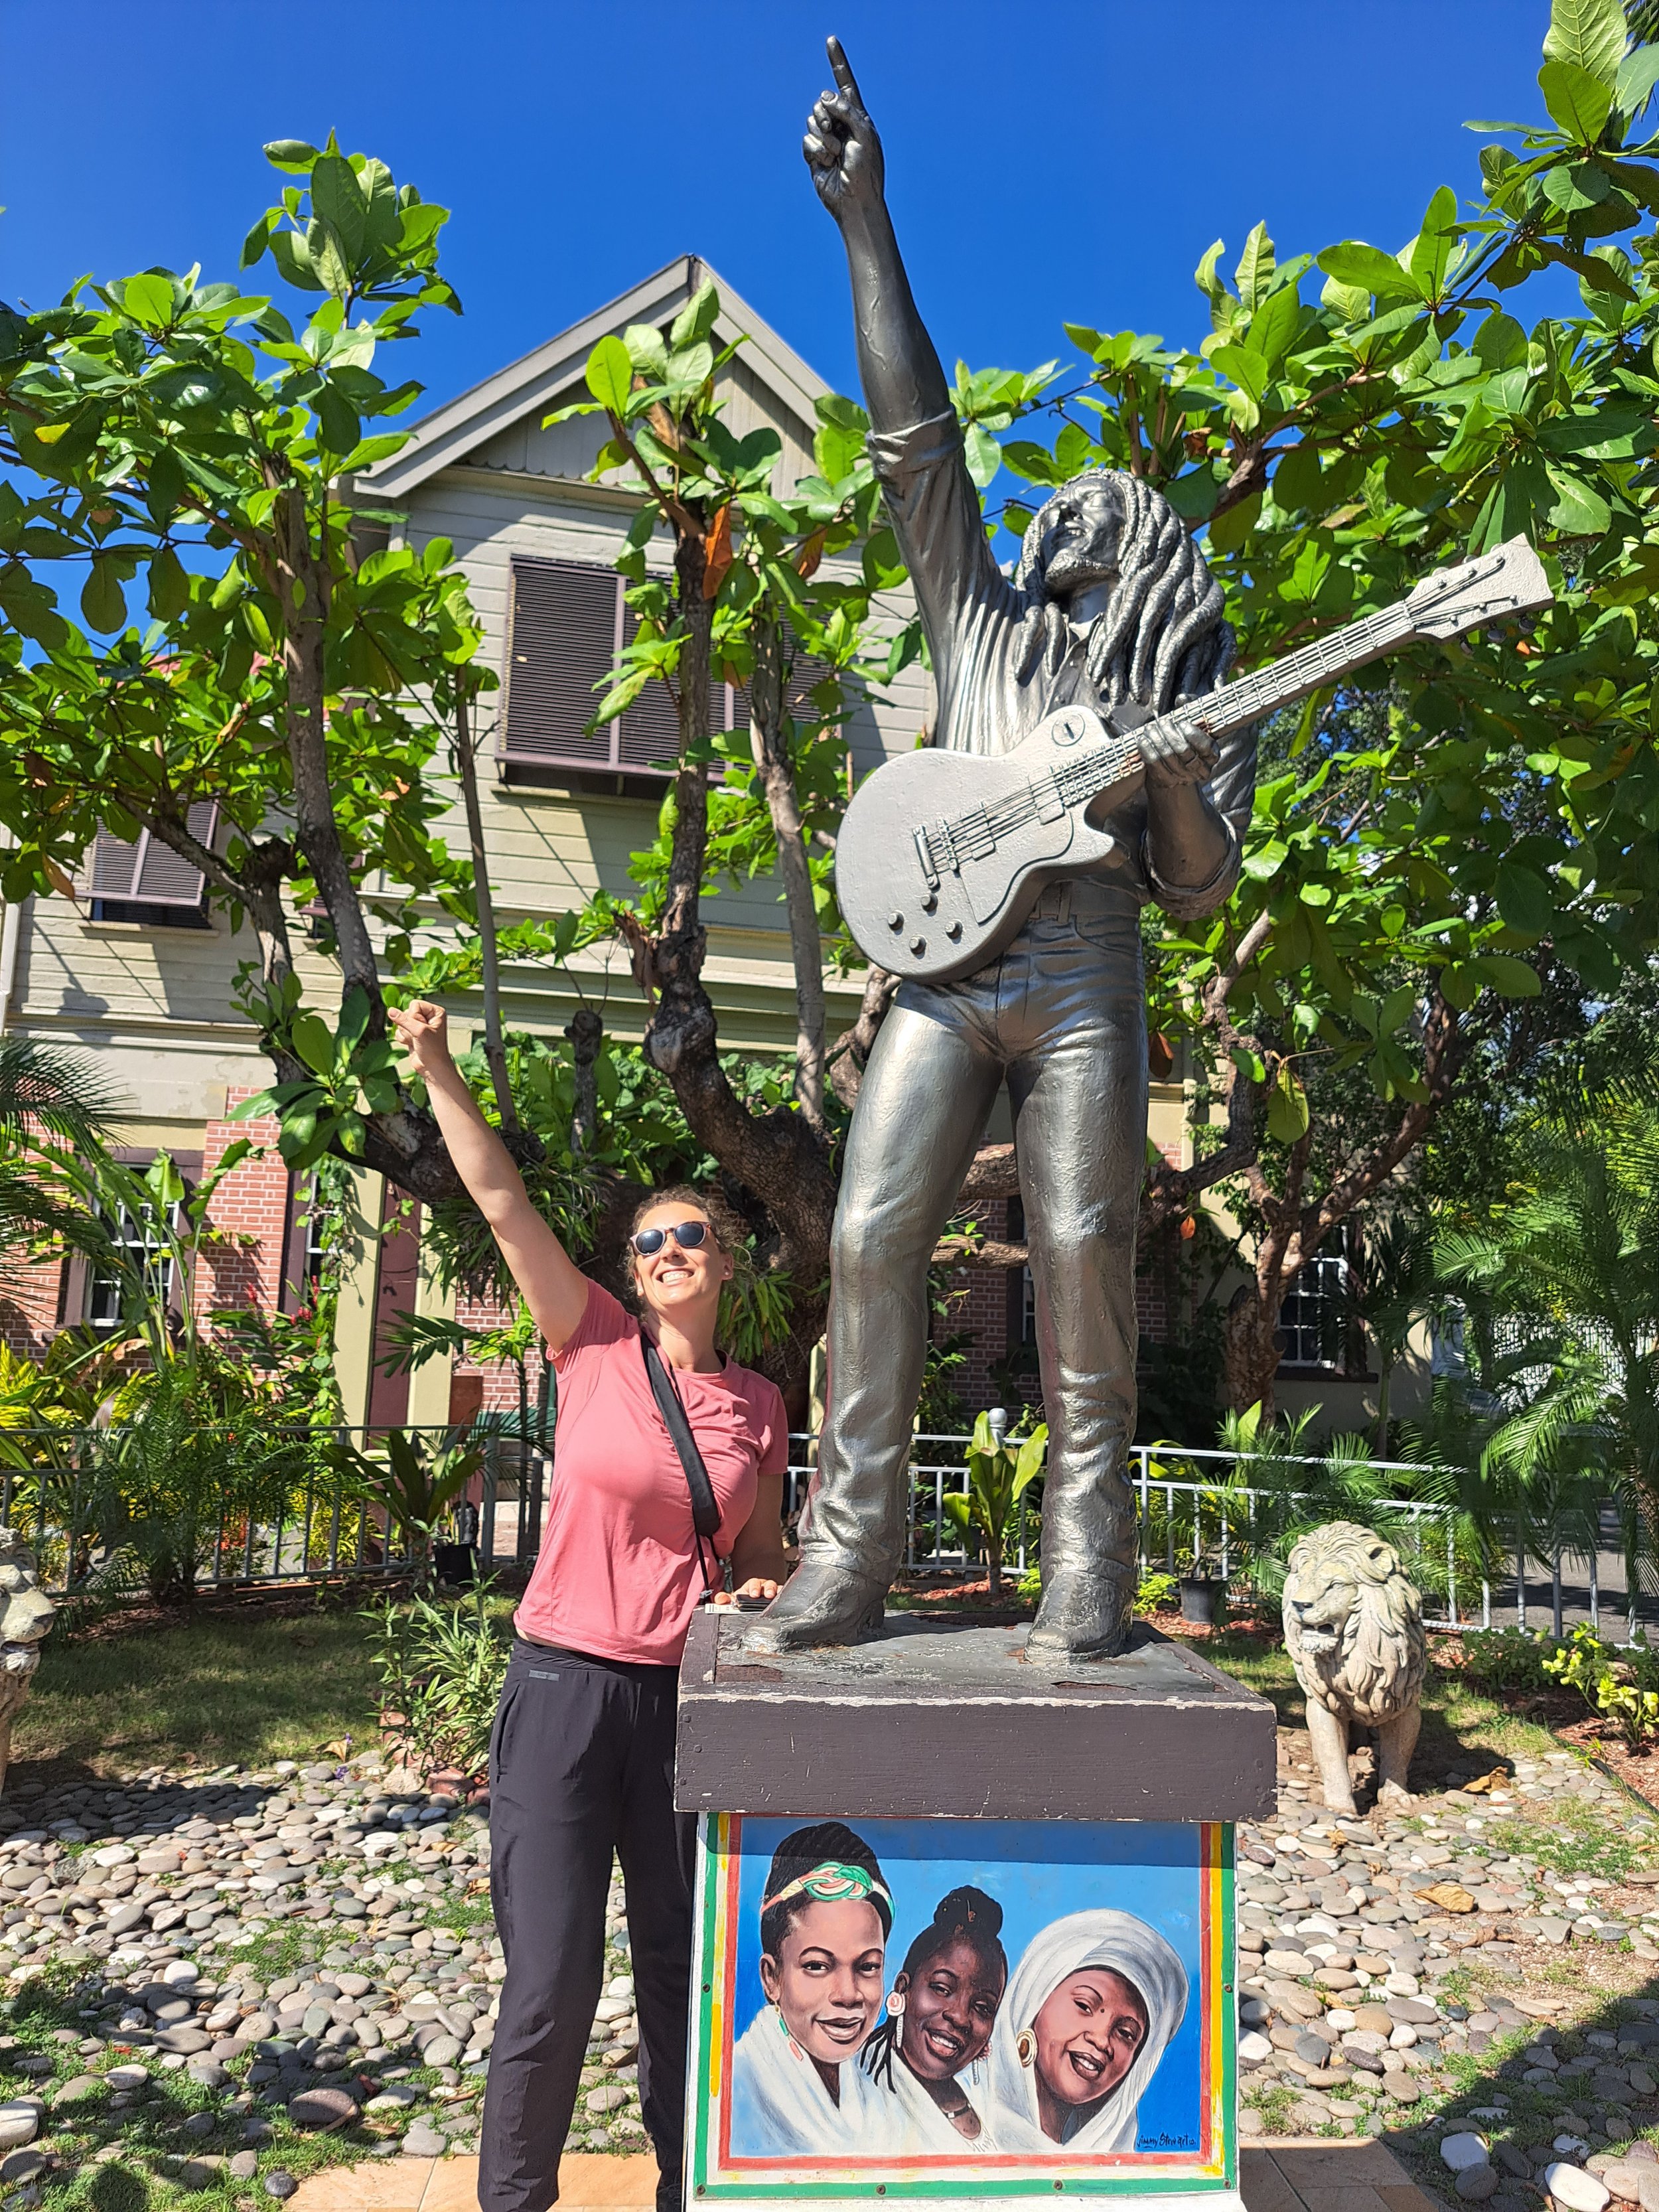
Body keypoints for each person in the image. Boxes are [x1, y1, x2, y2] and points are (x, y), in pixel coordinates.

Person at [750, 42, 1257, 1662]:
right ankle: (849, 1559)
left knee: (1085, 1253)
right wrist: (863, 223)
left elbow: (1198, 881)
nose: (1065, 517)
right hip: (945, 967)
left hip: (1093, 971)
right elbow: (916, 434)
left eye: (1098, 512)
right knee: (866, 1234)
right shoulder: (979, 626)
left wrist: (1171, 775)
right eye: (1058, 513)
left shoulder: (1198, 673)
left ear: (1150, 554)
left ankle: (1088, 1572)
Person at [388, 999, 790, 2212]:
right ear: (630, 1268)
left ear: (725, 1260)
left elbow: (759, 1546)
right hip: (563, 1690)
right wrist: (437, 1068)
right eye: (651, 1239)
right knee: (551, 1978)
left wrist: (772, 1578)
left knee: (681, 1969)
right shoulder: (593, 1345)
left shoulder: (764, 1401)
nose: (671, 1249)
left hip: (685, 1709)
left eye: (693, 1235)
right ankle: (514, 2199)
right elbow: (504, 1203)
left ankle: (690, 2189)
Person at [730, 1821, 893, 2156]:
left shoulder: (875, 2096)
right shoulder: (739, 2090)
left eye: (868, 1967)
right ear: (771, 1978)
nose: (848, 1994)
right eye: (817, 1966)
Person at [986, 1910, 1188, 2156]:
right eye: (1084, 2005)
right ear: (1033, 2002)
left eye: (1126, 2033)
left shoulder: (1118, 2156)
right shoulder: (961, 2125)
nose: (1102, 2040)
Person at [859, 1884, 1006, 2152]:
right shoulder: (858, 2093)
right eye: (941, 1988)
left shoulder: (989, 2097)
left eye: (983, 2007)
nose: (960, 2017)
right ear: (904, 1988)